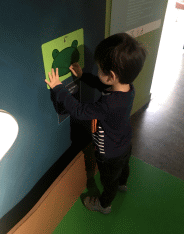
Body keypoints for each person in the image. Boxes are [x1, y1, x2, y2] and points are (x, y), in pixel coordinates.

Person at [45, 32, 148, 214]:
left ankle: (104, 204)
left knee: (109, 181)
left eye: (100, 69)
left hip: (108, 153)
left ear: (112, 76)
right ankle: (123, 183)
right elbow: (103, 85)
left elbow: (79, 111)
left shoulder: (109, 104)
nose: (98, 71)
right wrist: (83, 75)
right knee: (123, 168)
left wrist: (58, 88)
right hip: (124, 144)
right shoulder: (127, 88)